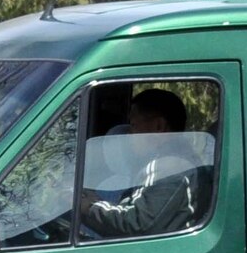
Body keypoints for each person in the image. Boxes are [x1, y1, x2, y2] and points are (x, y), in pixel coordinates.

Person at [82, 88, 202, 238]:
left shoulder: (170, 166)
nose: (129, 134)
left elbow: (137, 224)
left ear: (159, 127)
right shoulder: (174, 160)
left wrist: (87, 206)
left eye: (133, 125)